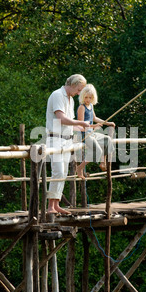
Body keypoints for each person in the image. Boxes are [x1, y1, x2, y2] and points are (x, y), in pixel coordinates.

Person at [46, 74, 90, 214]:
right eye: (79, 90)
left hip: (66, 139)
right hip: (56, 139)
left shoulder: (70, 100)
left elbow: (70, 125)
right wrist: (80, 122)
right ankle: (50, 207)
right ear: (73, 84)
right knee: (57, 171)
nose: (79, 93)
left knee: (63, 172)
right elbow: (62, 119)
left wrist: (86, 128)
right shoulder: (58, 95)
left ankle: (56, 203)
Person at [76, 84, 115, 179]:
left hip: (92, 133)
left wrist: (108, 123)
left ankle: (103, 162)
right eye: (86, 97)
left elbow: (94, 118)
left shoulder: (91, 106)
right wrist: (94, 126)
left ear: (93, 98)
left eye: (90, 97)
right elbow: (81, 124)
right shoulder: (81, 107)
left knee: (107, 139)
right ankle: (79, 168)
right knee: (97, 150)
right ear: (82, 97)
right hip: (84, 134)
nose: (88, 99)